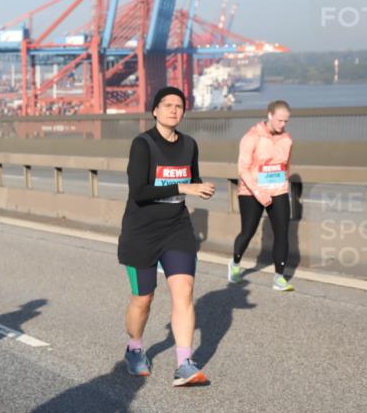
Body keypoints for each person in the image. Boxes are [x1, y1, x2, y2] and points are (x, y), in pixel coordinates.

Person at [117, 86, 216, 387]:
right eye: (167, 105)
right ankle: (135, 348)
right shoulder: (143, 144)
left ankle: (184, 363)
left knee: (183, 291)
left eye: (179, 106)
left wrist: (200, 187)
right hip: (142, 232)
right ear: (155, 111)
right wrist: (184, 188)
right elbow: (139, 191)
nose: (174, 110)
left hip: (177, 229)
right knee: (143, 299)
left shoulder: (189, 145)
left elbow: (191, 179)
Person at [230, 100, 294, 291]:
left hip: (278, 190)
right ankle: (235, 264)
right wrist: (259, 192)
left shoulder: (287, 139)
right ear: (269, 115)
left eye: (286, 121)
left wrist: (283, 186)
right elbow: (242, 169)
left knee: (282, 233)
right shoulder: (251, 137)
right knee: (248, 231)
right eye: (280, 120)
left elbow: (286, 167)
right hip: (251, 191)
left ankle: (279, 278)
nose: (283, 125)